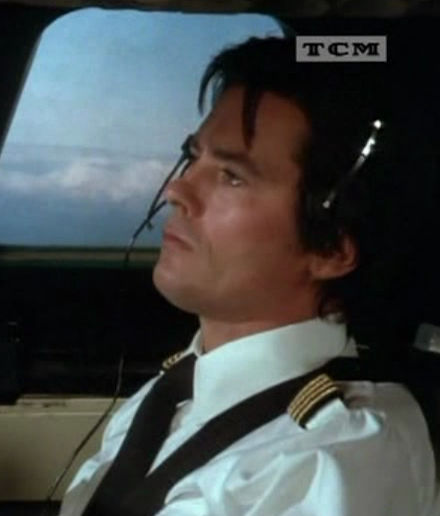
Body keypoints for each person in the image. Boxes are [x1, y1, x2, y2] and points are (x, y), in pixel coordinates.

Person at [58, 35, 439, 515]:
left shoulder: (329, 461)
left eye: (232, 176)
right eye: (193, 157)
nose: (177, 189)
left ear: (330, 250)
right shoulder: (174, 392)